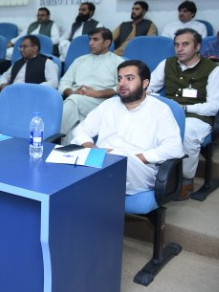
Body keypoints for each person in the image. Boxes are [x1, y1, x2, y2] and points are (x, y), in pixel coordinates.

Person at [71, 60, 184, 195]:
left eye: (129, 78)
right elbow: (81, 129)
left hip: (138, 169)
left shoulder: (160, 110)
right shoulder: (109, 105)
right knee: (64, 155)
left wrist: (135, 158)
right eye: (119, 79)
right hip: (100, 160)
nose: (122, 84)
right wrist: (91, 147)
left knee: (116, 163)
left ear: (145, 83)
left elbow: (174, 148)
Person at [148, 28, 219, 199]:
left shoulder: (213, 69)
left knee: (186, 133)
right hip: (168, 112)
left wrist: (185, 108)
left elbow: (213, 106)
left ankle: (186, 180)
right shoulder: (167, 63)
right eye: (177, 44)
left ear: (197, 47)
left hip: (197, 116)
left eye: (185, 44)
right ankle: (152, 175)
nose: (179, 49)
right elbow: (148, 87)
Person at [0, 35, 59, 124]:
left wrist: (35, 89)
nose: (21, 49)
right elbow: (4, 76)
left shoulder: (47, 62)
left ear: (35, 48)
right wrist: (3, 85)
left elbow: (53, 82)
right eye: (20, 47)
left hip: (30, 98)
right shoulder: (18, 62)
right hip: (11, 95)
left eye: (25, 47)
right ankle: (2, 127)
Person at [58, 28, 124, 138]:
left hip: (100, 102)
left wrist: (98, 93)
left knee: (73, 102)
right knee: (74, 128)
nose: (90, 43)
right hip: (76, 98)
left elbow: (122, 86)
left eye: (95, 39)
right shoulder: (80, 60)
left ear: (107, 42)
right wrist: (71, 92)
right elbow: (64, 82)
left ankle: (47, 136)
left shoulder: (118, 63)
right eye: (90, 39)